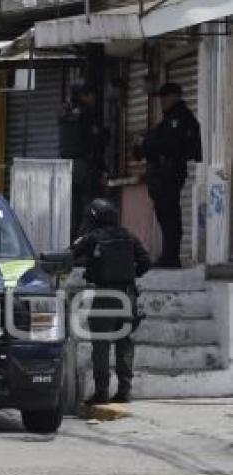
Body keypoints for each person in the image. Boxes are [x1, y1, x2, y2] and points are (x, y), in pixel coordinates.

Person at [72, 198, 151, 404]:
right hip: (127, 295)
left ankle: (102, 392)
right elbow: (146, 262)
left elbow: (71, 255)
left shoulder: (92, 237)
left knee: (101, 345)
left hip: (105, 296)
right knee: (124, 343)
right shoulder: (129, 236)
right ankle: (125, 390)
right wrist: (130, 274)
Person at [135, 82, 202, 269]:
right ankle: (168, 255)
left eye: (165, 97)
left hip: (169, 173)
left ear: (175, 97)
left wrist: (147, 144)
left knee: (170, 214)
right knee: (164, 214)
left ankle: (171, 256)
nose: (162, 101)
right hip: (161, 174)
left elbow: (169, 145)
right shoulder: (168, 119)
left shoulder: (180, 118)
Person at [59, 83, 108, 239]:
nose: (93, 98)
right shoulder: (87, 113)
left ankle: (72, 241)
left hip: (67, 166)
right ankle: (86, 240)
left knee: (72, 208)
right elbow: (94, 142)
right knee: (90, 205)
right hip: (84, 166)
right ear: (84, 95)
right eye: (91, 94)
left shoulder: (65, 112)